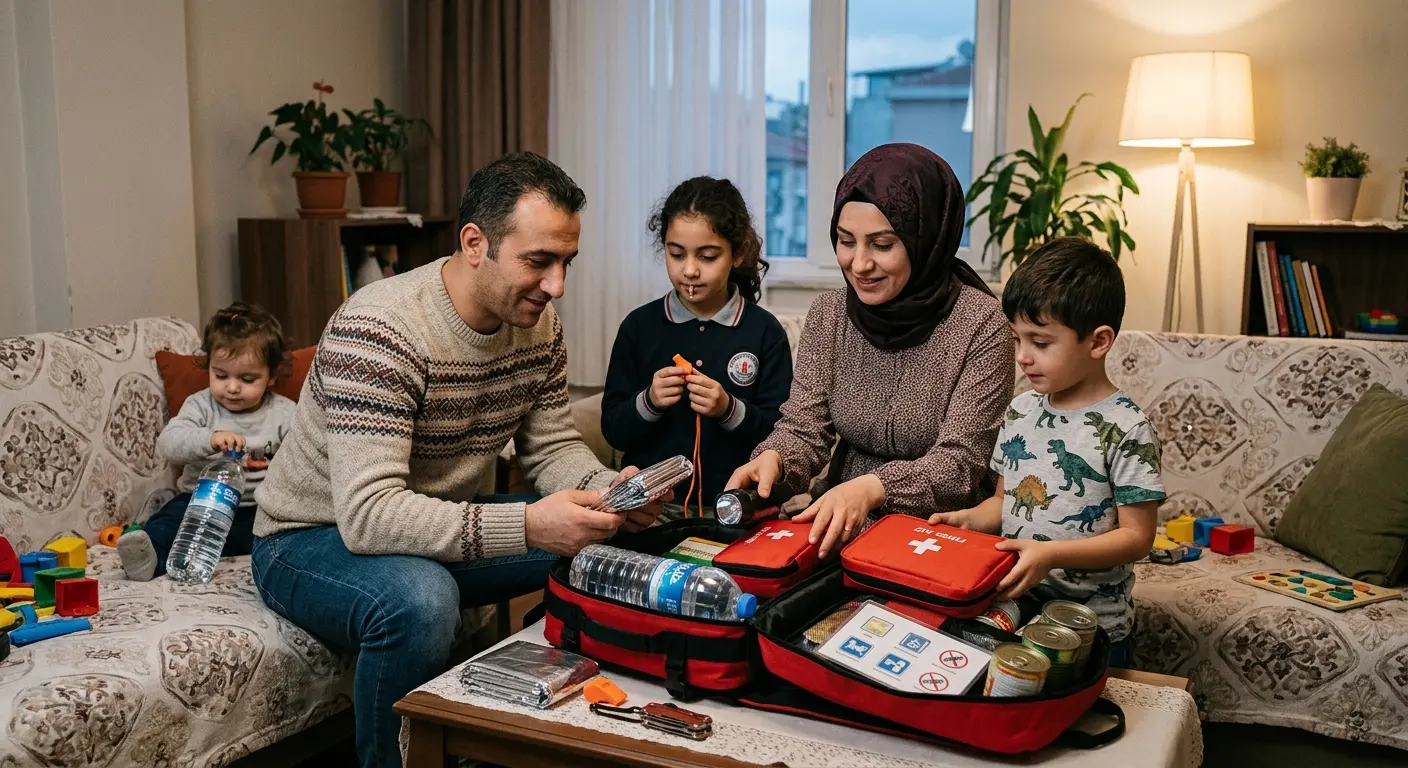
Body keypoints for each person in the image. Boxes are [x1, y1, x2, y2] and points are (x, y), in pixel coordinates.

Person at [251, 152, 665, 768]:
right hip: (311, 537)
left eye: (566, 263)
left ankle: (522, 741)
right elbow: (368, 515)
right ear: (476, 243)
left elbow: (550, 446)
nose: (556, 286)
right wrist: (530, 525)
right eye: (538, 261)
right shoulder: (381, 328)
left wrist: (607, 491)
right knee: (421, 600)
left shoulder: (539, 324)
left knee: (609, 543)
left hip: (429, 521)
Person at [727, 143, 1015, 559]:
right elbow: (804, 428)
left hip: (938, 535)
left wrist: (874, 488)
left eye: (881, 245)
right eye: (846, 241)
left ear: (926, 239)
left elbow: (961, 464)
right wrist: (775, 458)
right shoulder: (829, 314)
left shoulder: (982, 324)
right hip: (838, 525)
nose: (859, 264)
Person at [930, 236, 1164, 667]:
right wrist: (966, 521)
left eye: (1040, 342)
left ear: (1098, 342)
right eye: (1017, 339)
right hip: (1017, 607)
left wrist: (1051, 554)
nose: (1022, 357)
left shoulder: (1128, 428)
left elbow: (1137, 537)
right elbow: (1003, 503)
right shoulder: (1020, 412)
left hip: (1092, 628)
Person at [601, 177, 792, 519]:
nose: (689, 270)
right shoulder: (639, 327)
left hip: (737, 509)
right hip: (650, 511)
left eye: (707, 256)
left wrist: (728, 409)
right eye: (676, 254)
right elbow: (613, 429)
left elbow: (783, 437)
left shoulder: (764, 332)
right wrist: (650, 401)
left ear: (738, 254)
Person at [118, 302, 297, 581]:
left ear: (272, 376)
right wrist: (210, 439)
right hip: (200, 503)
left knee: (292, 529)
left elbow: (303, 457)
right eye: (221, 375)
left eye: (248, 378)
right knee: (167, 522)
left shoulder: (286, 413)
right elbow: (169, 444)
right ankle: (148, 559)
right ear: (209, 367)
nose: (232, 387)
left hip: (260, 510)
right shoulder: (201, 406)